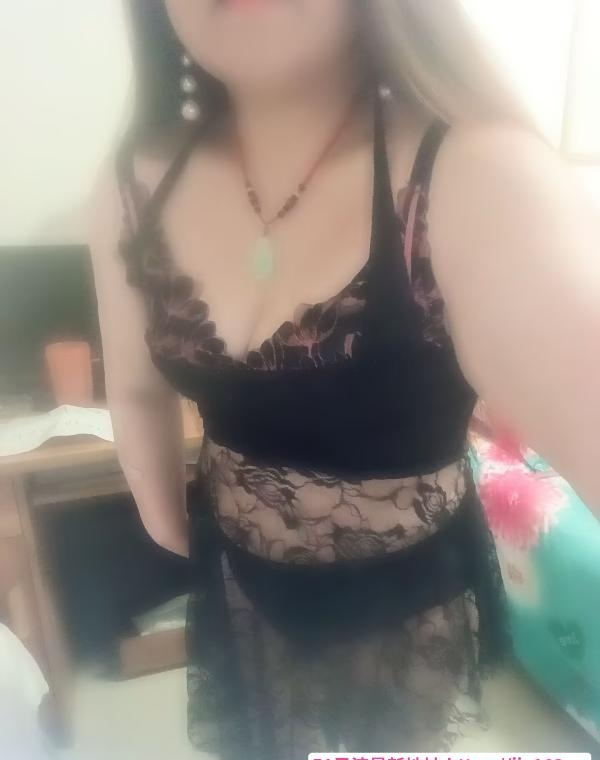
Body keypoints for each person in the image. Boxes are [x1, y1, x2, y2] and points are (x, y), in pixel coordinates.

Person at [90, 1, 600, 756]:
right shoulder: (135, 183)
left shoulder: (477, 178)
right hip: (233, 577)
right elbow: (135, 391)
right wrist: (169, 524)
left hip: (405, 593)